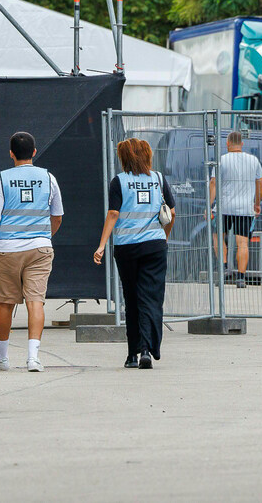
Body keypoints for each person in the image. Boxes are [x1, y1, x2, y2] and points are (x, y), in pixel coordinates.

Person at [0, 132, 63, 372]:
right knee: (36, 302)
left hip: (7, 250)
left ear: (11, 153)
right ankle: (33, 357)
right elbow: (57, 216)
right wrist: (44, 237)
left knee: (5, 303)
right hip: (40, 248)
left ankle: (2, 356)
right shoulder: (49, 178)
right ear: (34, 152)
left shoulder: (1, 179)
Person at [93, 138, 175, 370]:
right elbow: (172, 212)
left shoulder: (119, 181)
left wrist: (101, 245)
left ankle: (132, 354)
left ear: (124, 158)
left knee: (131, 298)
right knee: (150, 298)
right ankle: (147, 349)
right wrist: (163, 237)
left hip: (127, 248)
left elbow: (113, 214)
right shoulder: (158, 179)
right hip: (155, 246)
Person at [209, 131, 262, 288]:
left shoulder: (221, 160)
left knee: (218, 237)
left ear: (227, 144)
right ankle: (241, 278)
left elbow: (213, 184)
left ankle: (224, 269)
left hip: (223, 208)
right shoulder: (253, 160)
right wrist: (257, 203)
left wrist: (209, 205)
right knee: (242, 243)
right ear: (242, 143)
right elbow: (260, 183)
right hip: (245, 208)